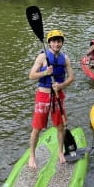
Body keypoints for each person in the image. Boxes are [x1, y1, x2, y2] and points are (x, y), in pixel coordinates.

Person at [28, 29, 74, 169]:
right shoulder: (42, 57)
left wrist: (61, 85)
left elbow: (72, 77)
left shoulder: (65, 58)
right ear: (49, 43)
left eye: (59, 41)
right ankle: (32, 156)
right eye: (54, 41)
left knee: (60, 126)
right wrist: (45, 72)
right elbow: (31, 75)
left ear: (61, 43)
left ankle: (60, 152)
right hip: (43, 95)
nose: (57, 43)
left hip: (58, 96)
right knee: (37, 128)